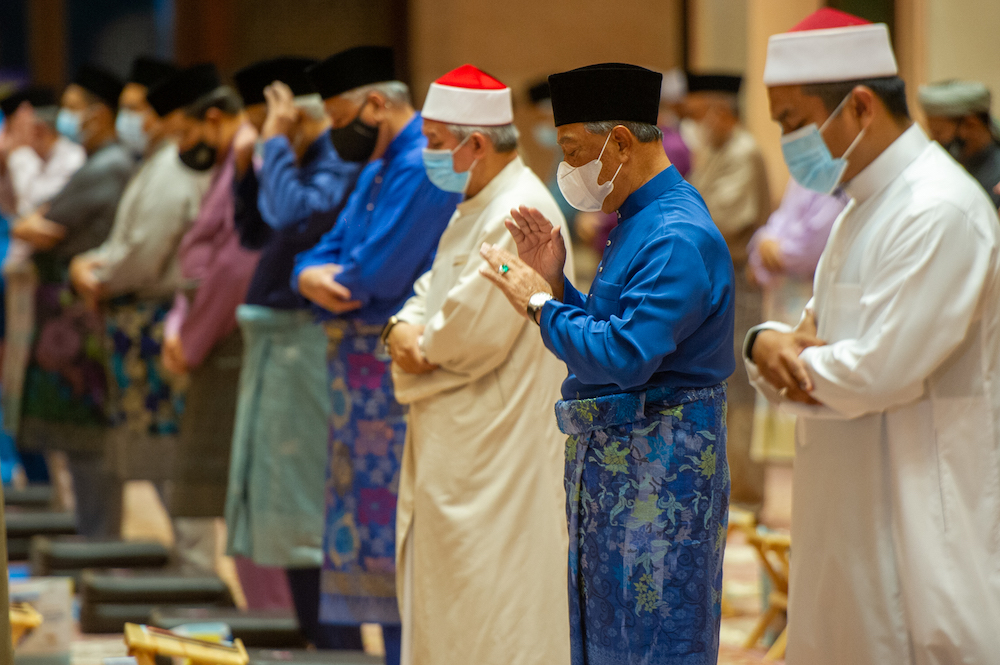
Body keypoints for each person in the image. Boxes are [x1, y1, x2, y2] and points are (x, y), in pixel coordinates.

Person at [745, 9, 1000, 664]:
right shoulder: (857, 213)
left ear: (859, 106)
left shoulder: (938, 208)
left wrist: (770, 347)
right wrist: (772, 344)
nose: (787, 142)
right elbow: (811, 340)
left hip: (918, 520)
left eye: (793, 122)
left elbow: (877, 372)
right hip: (846, 512)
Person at [481, 62, 734, 665]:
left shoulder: (674, 234)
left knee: (654, 635)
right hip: (623, 464)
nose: (567, 166)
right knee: (607, 630)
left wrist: (540, 305)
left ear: (620, 141)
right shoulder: (639, 219)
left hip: (663, 469)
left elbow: (624, 356)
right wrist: (555, 286)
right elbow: (611, 327)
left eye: (573, 150)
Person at [389, 64, 573, 665]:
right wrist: (401, 326)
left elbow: (465, 333)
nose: (425, 154)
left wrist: (419, 341)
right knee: (455, 606)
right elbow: (433, 288)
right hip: (462, 437)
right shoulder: (478, 201)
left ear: (474, 144)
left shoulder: (518, 209)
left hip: (496, 448)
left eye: (434, 141)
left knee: (494, 607)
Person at [292, 46, 459, 660]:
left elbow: (373, 275)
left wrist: (321, 276)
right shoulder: (380, 164)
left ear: (376, 104)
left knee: (395, 527)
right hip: (358, 375)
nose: (337, 133)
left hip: (393, 371)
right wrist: (308, 274)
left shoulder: (420, 165)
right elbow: (323, 251)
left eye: (340, 119)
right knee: (367, 528)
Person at [224, 56, 363, 632]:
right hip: (280, 340)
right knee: (281, 505)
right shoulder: (301, 156)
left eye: (269, 125)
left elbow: (294, 218)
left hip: (307, 342)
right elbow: (256, 231)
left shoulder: (337, 156)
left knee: (304, 507)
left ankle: (333, 646)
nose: (262, 138)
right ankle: (316, 639)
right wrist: (247, 167)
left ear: (297, 117)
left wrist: (275, 143)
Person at [66, 56, 210, 535]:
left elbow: (144, 253)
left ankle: (194, 568)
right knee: (156, 457)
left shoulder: (173, 167)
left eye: (138, 108)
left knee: (171, 455)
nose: (133, 120)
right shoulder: (155, 162)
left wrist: (99, 276)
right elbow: (125, 243)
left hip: (158, 319)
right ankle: (184, 561)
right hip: (139, 320)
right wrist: (91, 264)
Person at [11, 65, 133, 537]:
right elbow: (31, 222)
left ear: (99, 114)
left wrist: (32, 223)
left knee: (91, 444)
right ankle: (93, 542)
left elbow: (41, 225)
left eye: (73, 107)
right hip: (71, 320)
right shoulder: (96, 161)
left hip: (85, 322)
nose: (65, 116)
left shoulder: (110, 164)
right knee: (81, 447)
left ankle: (100, 548)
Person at [156, 64, 261, 571]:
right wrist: (177, 326)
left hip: (229, 338)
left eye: (185, 133)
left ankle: (236, 599)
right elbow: (196, 261)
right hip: (209, 331)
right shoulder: (228, 163)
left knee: (234, 490)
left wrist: (191, 339)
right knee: (213, 488)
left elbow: (234, 266)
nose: (182, 147)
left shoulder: (252, 159)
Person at [686, 71, 770, 513]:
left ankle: (746, 495)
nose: (696, 125)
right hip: (714, 277)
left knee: (739, 385)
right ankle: (724, 489)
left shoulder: (743, 152)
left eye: (700, 114)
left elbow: (721, 219)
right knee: (719, 381)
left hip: (737, 277)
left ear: (721, 112)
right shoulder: (717, 150)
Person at [746, 178, 845, 462]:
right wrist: (764, 244)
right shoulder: (802, 176)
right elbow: (770, 230)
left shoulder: (838, 183)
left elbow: (811, 248)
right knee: (777, 380)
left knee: (804, 383)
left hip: (810, 294)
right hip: (781, 296)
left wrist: (775, 249)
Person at [0, 87, 85, 218]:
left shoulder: (74, 159)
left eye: (12, 129)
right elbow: (9, 208)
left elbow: (35, 208)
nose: (7, 135)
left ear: (38, 128)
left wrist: (19, 152)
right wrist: (2, 162)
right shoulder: (28, 156)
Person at [919, 79, 1000, 206]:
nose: (934, 141)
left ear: (971, 124)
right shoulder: (952, 162)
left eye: (938, 132)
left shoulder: (996, 177)